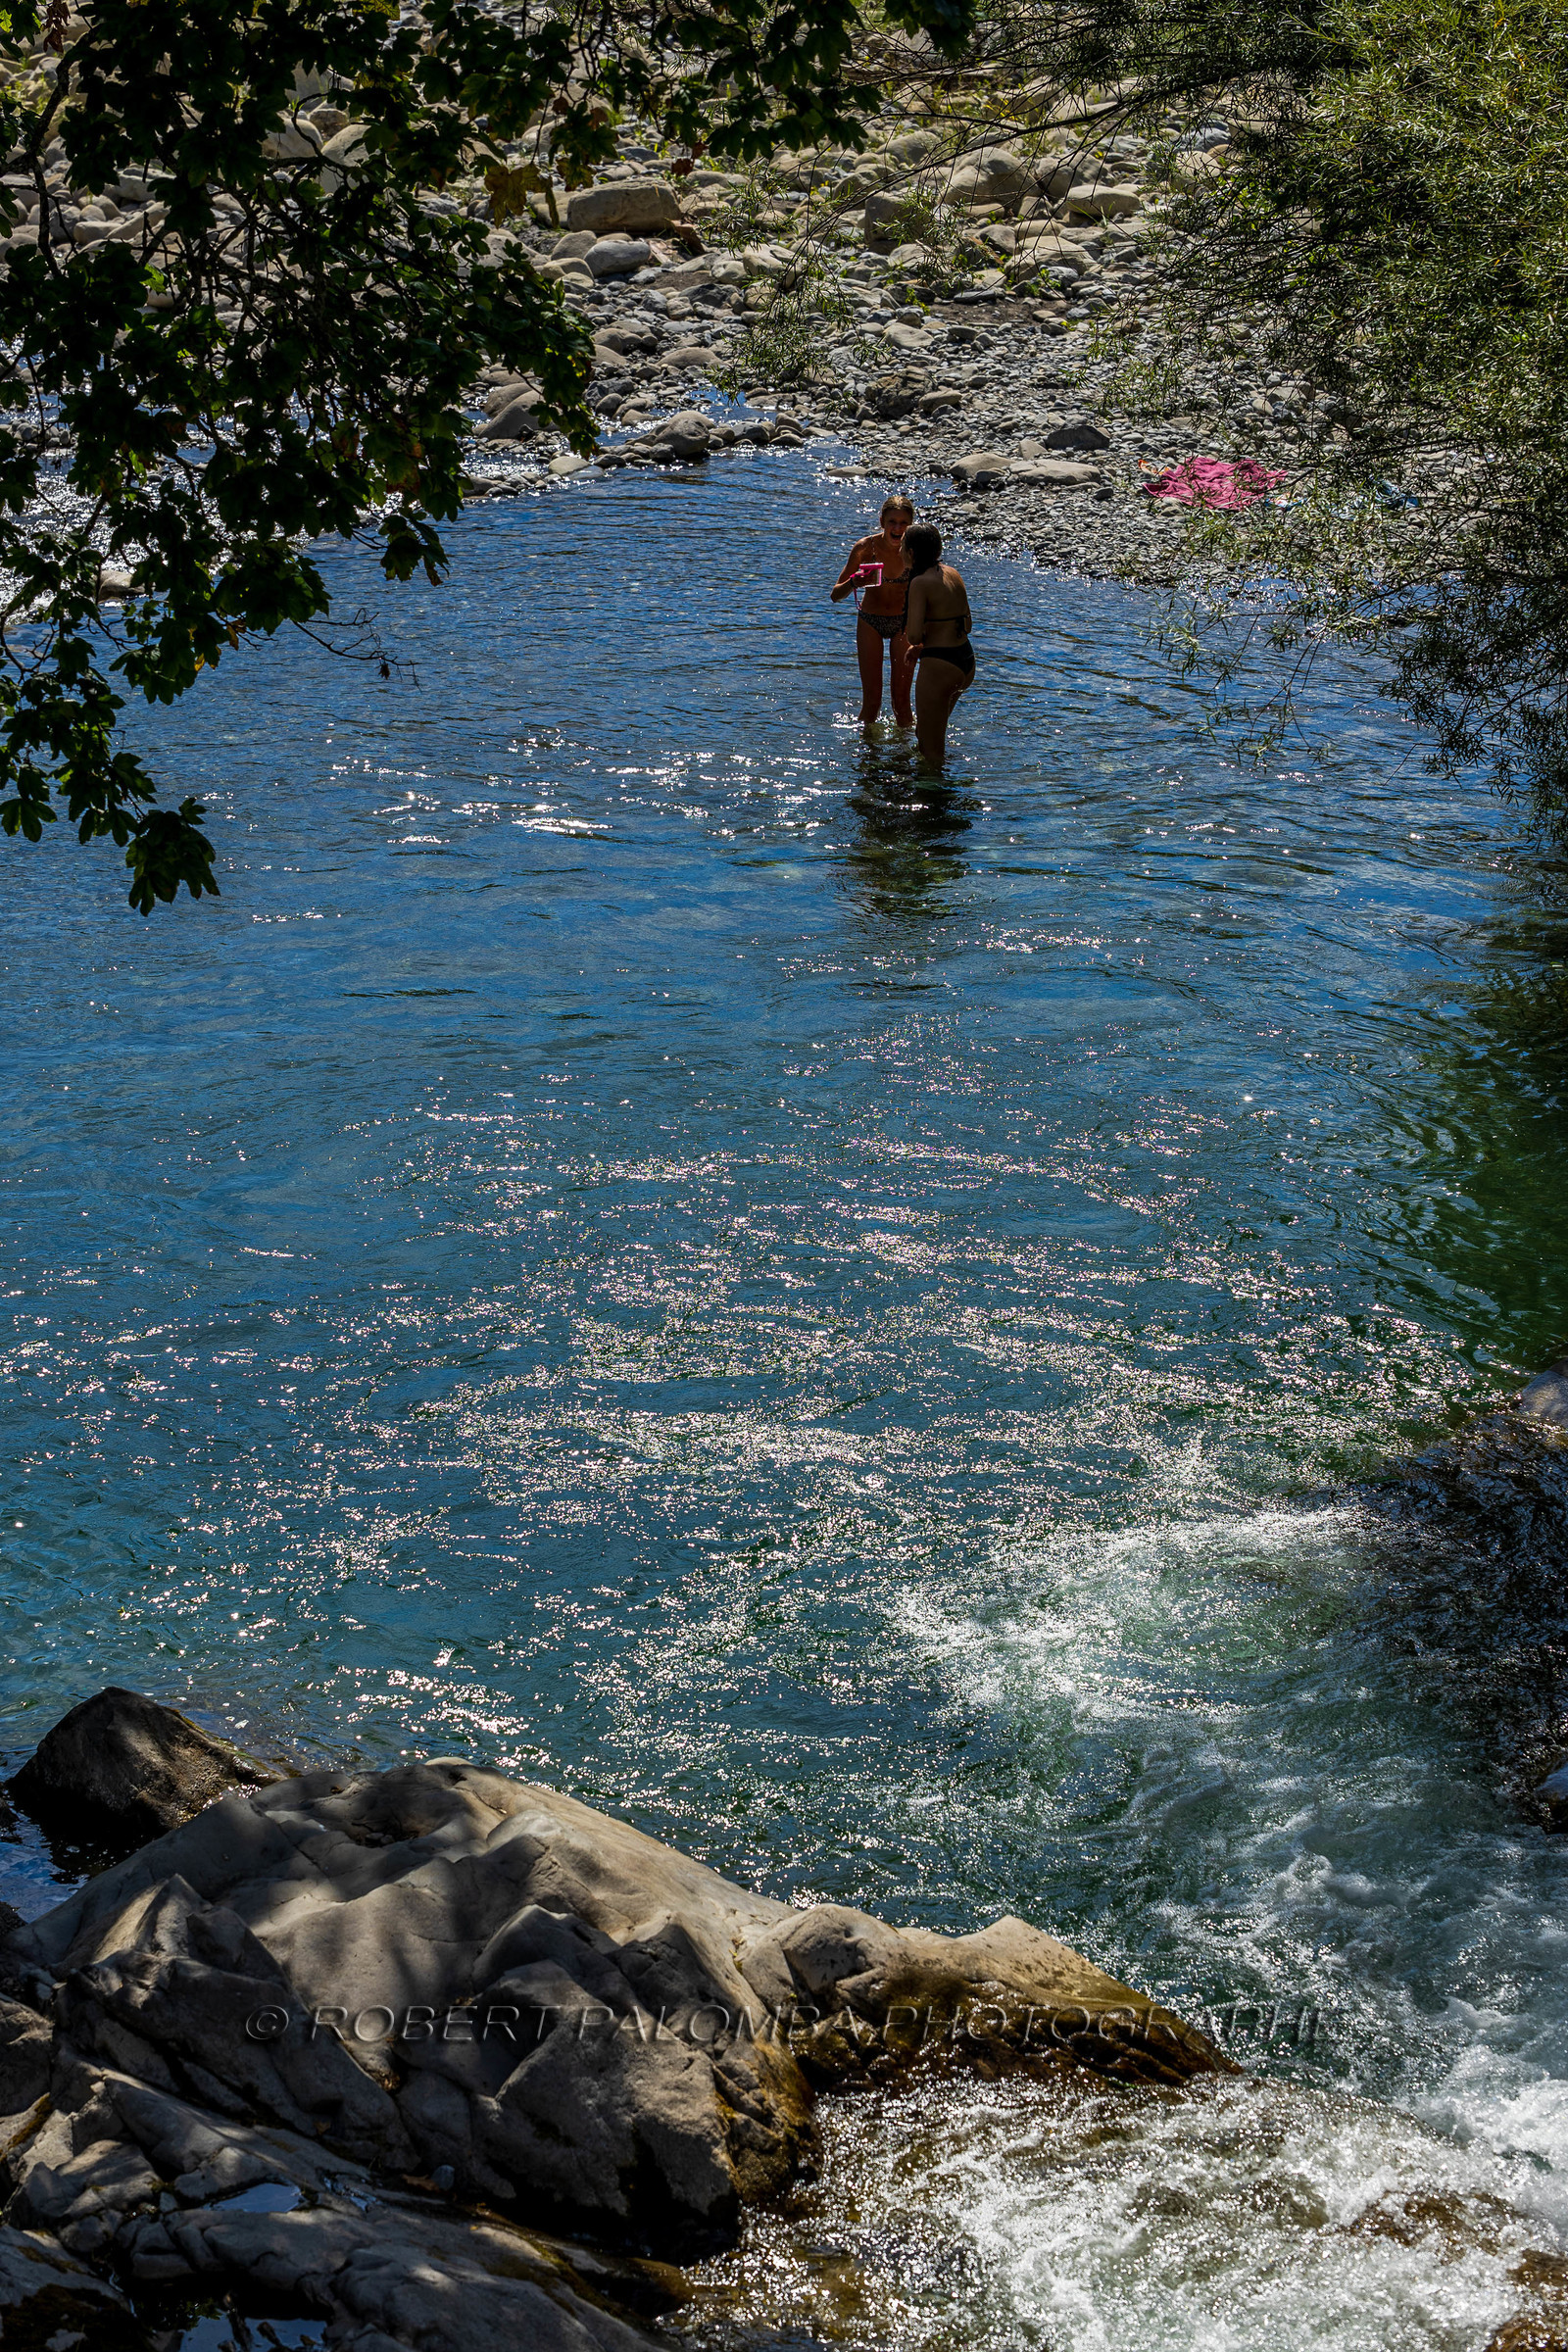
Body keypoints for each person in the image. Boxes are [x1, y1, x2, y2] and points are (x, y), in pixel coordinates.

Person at [829, 495, 916, 726]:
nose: (898, 528)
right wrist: (853, 583)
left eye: (903, 523)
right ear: (882, 522)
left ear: (911, 524)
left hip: (903, 623)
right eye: (892, 522)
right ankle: (866, 757)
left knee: (902, 703)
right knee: (871, 702)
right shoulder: (865, 548)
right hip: (870, 622)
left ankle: (907, 756)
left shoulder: (916, 551)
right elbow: (835, 595)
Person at [902, 523, 973, 767]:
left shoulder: (920, 583)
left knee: (931, 752)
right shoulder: (952, 573)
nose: (900, 551)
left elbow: (912, 635)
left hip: (940, 666)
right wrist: (924, 646)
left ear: (911, 553)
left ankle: (933, 802)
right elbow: (968, 624)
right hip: (965, 660)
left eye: (903, 546)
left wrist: (918, 643)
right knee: (926, 735)